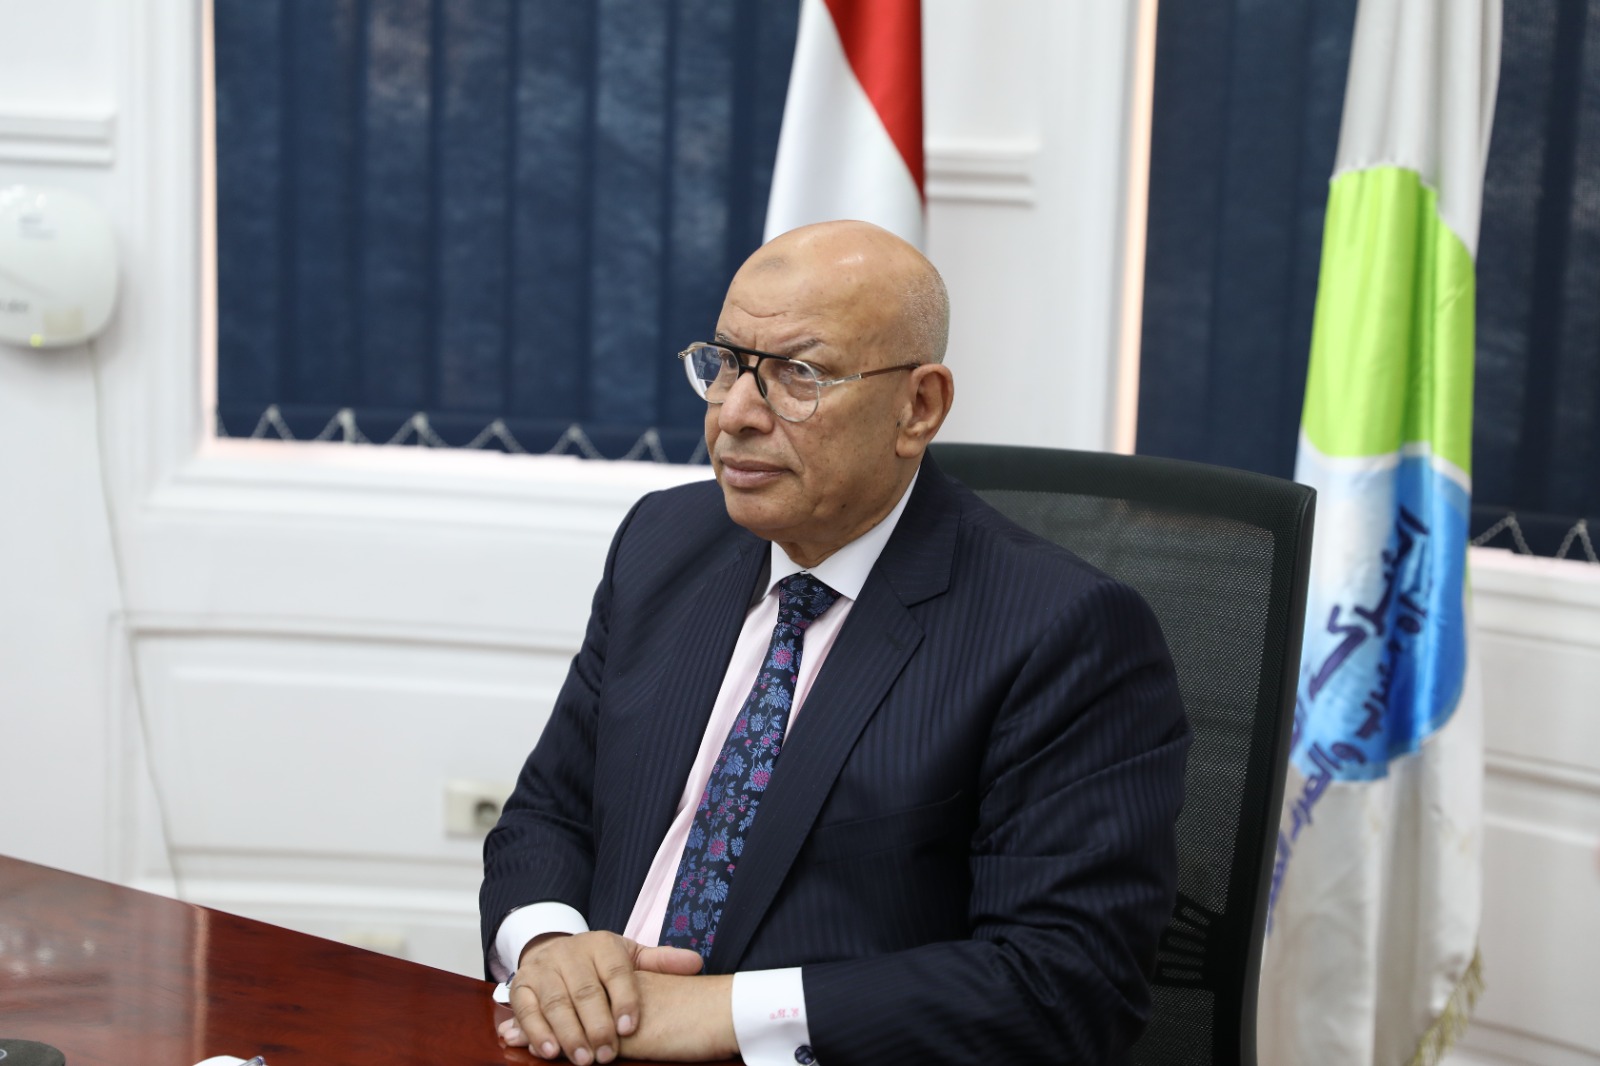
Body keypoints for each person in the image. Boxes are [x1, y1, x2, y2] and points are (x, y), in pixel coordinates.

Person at [480, 220, 1189, 1065]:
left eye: (798, 375)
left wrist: (722, 1014)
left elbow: (1064, 983)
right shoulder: (663, 542)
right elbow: (548, 814)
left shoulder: (1061, 632)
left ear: (918, 408)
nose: (735, 415)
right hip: (582, 1047)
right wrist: (549, 946)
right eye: (725, 364)